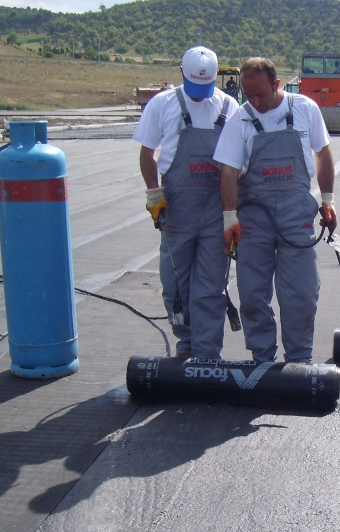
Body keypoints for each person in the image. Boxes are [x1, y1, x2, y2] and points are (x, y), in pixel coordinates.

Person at [214, 57, 337, 364]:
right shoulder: (240, 119)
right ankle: (262, 359)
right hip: (254, 217)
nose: (255, 102)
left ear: (276, 84)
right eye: (248, 95)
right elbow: (228, 172)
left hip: (296, 215)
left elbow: (323, 154)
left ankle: (299, 359)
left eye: (261, 94)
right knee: (252, 293)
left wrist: (328, 199)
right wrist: (229, 218)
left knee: (301, 293)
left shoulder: (305, 108)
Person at [133, 46, 239, 359]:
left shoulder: (229, 106)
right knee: (175, 282)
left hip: (216, 211)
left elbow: (238, 161)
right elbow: (147, 153)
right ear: (182, 73)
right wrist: (154, 193)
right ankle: (186, 341)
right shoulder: (163, 104)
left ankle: (207, 350)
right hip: (178, 208)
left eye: (204, 88)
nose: (199, 95)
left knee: (211, 285)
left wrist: (233, 214)